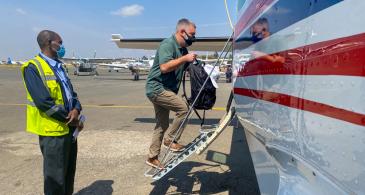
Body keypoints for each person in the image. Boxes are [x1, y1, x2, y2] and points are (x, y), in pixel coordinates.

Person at [21, 30, 83, 195]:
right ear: (50, 43)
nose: (62, 46)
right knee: (55, 180)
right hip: (52, 132)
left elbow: (72, 94)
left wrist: (76, 109)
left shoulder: (60, 66)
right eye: (60, 42)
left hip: (69, 130)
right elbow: (44, 102)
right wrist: (71, 119)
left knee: (68, 175)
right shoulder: (33, 67)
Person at [145, 18, 197, 169]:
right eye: (192, 34)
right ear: (182, 32)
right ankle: (170, 140)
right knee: (183, 109)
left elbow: (185, 65)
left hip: (165, 90)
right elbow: (164, 67)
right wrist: (185, 58)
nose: (193, 38)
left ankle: (152, 157)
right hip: (157, 88)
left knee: (162, 124)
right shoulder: (168, 44)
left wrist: (192, 62)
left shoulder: (183, 50)